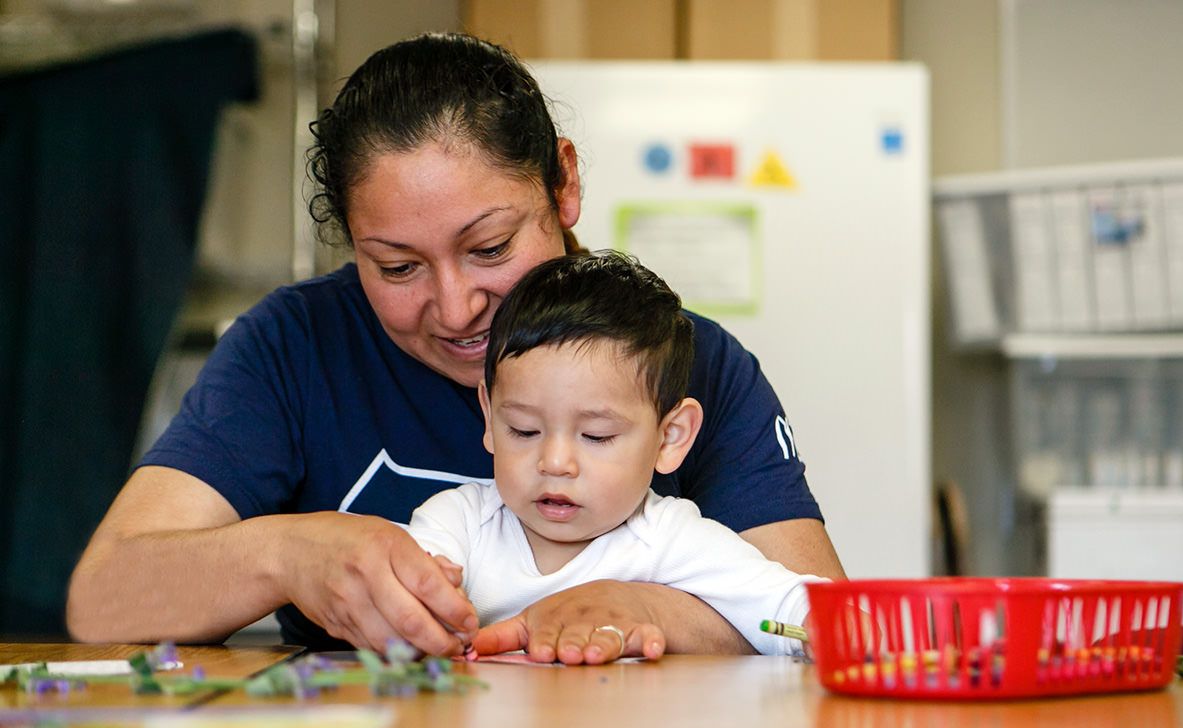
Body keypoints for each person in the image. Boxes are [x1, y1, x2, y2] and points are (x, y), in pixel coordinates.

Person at [66, 31, 845, 661]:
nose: (457, 306)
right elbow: (103, 598)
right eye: (397, 266)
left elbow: (819, 618)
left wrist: (648, 610)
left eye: (491, 247)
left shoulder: (689, 361)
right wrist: (291, 555)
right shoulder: (296, 344)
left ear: (563, 184)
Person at [405, 251, 827, 663]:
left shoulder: (672, 539)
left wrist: (829, 627)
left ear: (670, 438)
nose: (554, 462)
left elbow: (788, 606)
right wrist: (428, 607)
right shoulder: (456, 523)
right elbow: (411, 592)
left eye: (596, 435)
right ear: (490, 416)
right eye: (523, 430)